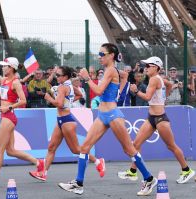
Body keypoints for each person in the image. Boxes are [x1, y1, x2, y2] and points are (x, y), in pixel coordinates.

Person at [58, 43, 156, 196]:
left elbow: (97, 90)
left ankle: (149, 178)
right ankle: (78, 183)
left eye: (102, 54)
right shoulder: (111, 70)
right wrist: (119, 92)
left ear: (111, 55)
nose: (99, 56)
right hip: (103, 114)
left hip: (112, 114)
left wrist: (87, 78)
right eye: (99, 53)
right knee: (84, 147)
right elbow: (123, 76)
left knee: (128, 149)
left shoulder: (110, 70)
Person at [118, 56, 195, 184]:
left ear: (156, 67)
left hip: (160, 119)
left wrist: (136, 90)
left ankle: (186, 170)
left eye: (148, 66)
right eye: (145, 66)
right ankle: (132, 172)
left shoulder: (154, 79)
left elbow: (147, 97)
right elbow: (170, 84)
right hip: (151, 117)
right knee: (136, 144)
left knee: (171, 146)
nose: (145, 68)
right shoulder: (159, 78)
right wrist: (164, 98)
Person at [0, 57, 44, 188]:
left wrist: (9, 107)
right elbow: (3, 97)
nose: (2, 68)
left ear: (11, 68)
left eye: (5, 66)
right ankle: (39, 162)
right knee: (10, 151)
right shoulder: (4, 80)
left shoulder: (16, 82)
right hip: (5, 115)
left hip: (9, 116)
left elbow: (23, 101)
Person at [29, 66, 105, 182]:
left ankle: (98, 161)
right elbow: (79, 95)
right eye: (56, 75)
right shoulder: (70, 85)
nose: (56, 77)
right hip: (61, 120)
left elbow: (59, 104)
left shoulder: (62, 87)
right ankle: (43, 172)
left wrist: (48, 97)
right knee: (51, 147)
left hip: (66, 121)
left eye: (58, 75)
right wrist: (68, 103)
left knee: (76, 150)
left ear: (65, 77)